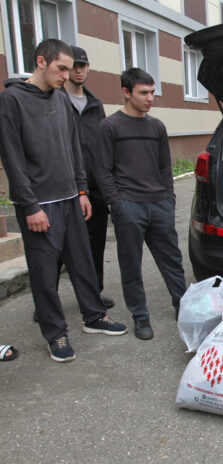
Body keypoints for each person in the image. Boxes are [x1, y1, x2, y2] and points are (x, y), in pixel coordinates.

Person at [0, 39, 127, 363]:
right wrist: (30, 206)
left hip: (71, 198)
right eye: (61, 69)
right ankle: (55, 334)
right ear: (41, 61)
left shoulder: (61, 98)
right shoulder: (12, 100)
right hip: (39, 205)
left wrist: (82, 191)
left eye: (69, 70)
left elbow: (74, 148)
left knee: (83, 262)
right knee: (44, 273)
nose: (66, 76)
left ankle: (94, 316)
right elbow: (12, 157)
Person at [96, 67, 186, 340]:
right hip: (129, 207)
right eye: (143, 93)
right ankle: (140, 316)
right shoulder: (110, 126)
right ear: (126, 92)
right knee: (131, 266)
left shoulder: (156, 126)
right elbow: (102, 170)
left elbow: (165, 166)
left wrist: (168, 198)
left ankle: (183, 307)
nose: (150, 98)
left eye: (152, 93)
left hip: (159, 204)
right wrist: (117, 204)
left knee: (172, 260)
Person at [62, 46, 114, 307]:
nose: (78, 70)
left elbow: (103, 146)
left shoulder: (95, 105)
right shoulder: (56, 101)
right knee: (58, 248)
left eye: (82, 65)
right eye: (74, 66)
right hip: (63, 188)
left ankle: (94, 293)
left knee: (95, 244)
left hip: (94, 188)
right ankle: (48, 300)